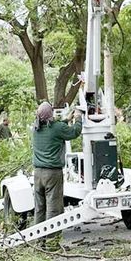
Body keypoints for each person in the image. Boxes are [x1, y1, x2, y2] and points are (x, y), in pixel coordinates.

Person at [31, 102, 82, 246]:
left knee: (40, 209)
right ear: (51, 114)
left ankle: (38, 241)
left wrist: (66, 119)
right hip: (52, 174)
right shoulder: (57, 128)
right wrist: (78, 118)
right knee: (53, 209)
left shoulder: (35, 128)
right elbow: (74, 132)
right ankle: (52, 243)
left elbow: (54, 127)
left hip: (38, 174)